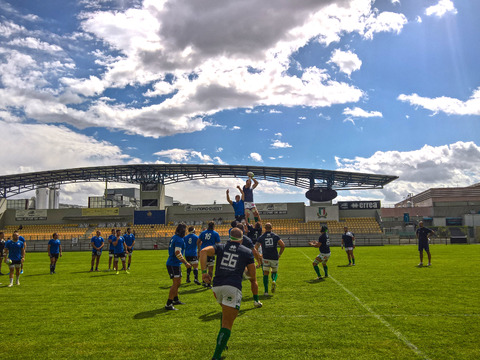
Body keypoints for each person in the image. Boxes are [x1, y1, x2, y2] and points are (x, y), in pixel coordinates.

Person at [200, 227, 262, 360]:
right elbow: (252, 275)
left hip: (217, 287)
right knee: (228, 324)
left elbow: (203, 251)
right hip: (232, 287)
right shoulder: (246, 252)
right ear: (242, 238)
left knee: (225, 313)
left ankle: (223, 344)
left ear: (229, 237)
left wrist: (204, 272)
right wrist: (246, 273)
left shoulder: (221, 247)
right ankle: (216, 357)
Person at [165, 223, 191, 310]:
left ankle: (175, 299)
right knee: (176, 284)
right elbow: (177, 252)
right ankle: (169, 303)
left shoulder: (174, 237)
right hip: (173, 263)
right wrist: (185, 263)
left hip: (174, 263)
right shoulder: (179, 239)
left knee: (178, 282)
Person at [255, 223, 285, 295]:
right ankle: (274, 280)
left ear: (265, 228)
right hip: (274, 257)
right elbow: (282, 245)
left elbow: (255, 248)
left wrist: (259, 255)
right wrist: (279, 254)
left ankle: (266, 291)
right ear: (272, 228)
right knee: (274, 272)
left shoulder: (261, 237)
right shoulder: (275, 236)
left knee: (265, 274)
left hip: (265, 257)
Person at [198, 221, 221, 288]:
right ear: (214, 226)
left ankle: (204, 281)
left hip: (203, 253)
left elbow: (198, 242)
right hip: (211, 252)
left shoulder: (203, 233)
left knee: (204, 268)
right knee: (210, 269)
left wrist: (199, 249)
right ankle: (208, 283)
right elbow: (218, 243)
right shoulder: (215, 233)